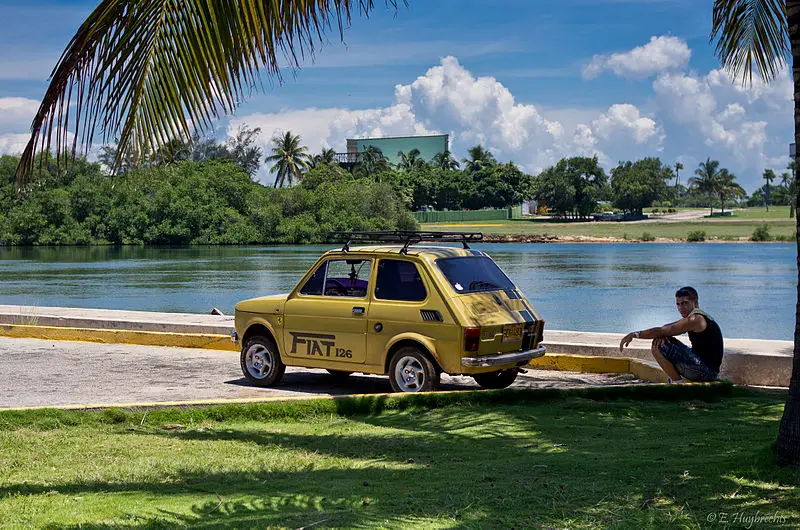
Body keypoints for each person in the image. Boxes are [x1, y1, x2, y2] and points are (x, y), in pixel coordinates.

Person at [619, 286, 723, 383]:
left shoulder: (695, 319)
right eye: (678, 304)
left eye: (685, 303)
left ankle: (678, 383)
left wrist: (635, 334)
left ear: (694, 302)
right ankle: (677, 381)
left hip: (706, 372)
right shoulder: (698, 316)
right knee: (665, 339)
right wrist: (663, 334)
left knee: (659, 346)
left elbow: (662, 330)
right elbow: (668, 328)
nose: (681, 307)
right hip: (706, 369)